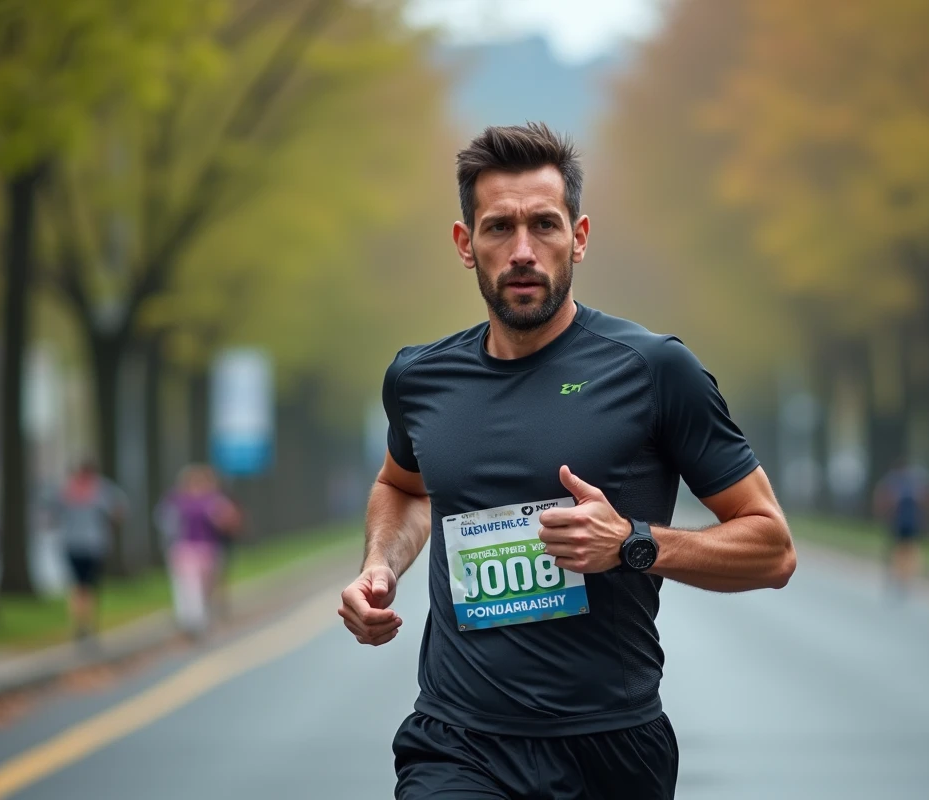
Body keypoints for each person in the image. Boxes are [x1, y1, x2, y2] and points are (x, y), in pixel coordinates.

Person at [337, 122, 796, 800]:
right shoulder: (420, 378)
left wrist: (634, 544)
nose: (523, 250)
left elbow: (772, 549)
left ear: (578, 236)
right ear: (466, 245)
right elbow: (403, 488)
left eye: (544, 226)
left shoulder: (654, 371)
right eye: (499, 228)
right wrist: (380, 565)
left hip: (610, 747)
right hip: (457, 740)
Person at [155, 464, 241, 638]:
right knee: (187, 585)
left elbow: (228, 519)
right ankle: (193, 621)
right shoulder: (177, 500)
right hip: (184, 548)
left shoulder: (213, 499)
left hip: (207, 549)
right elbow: (164, 520)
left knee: (203, 587)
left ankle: (196, 618)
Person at [52, 459, 128, 642]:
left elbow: (51, 514)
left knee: (80, 586)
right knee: (87, 587)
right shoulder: (101, 489)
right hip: (91, 544)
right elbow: (119, 511)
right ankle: (86, 625)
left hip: (77, 544)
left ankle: (81, 624)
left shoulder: (68, 489)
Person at [873, 458, 929, 597]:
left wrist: (884, 516)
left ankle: (897, 575)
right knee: (909, 550)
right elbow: (928, 499)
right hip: (911, 524)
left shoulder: (892, 482)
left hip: (898, 524)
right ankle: (904, 576)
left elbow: (882, 500)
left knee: (897, 550)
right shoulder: (915, 483)